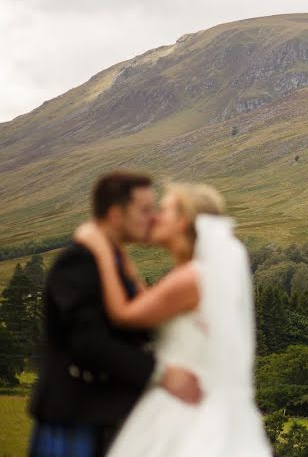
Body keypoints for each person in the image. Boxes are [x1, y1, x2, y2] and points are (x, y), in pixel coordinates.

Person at [74, 181, 270, 456]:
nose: (153, 217)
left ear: (182, 222)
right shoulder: (196, 275)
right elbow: (153, 304)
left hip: (183, 407)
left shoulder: (190, 278)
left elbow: (124, 314)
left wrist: (104, 249)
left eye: (163, 210)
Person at [28, 171, 202, 457]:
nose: (153, 218)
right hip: (74, 416)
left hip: (102, 415)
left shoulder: (113, 262)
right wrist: (161, 374)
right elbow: (87, 343)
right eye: (145, 210)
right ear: (116, 214)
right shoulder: (78, 261)